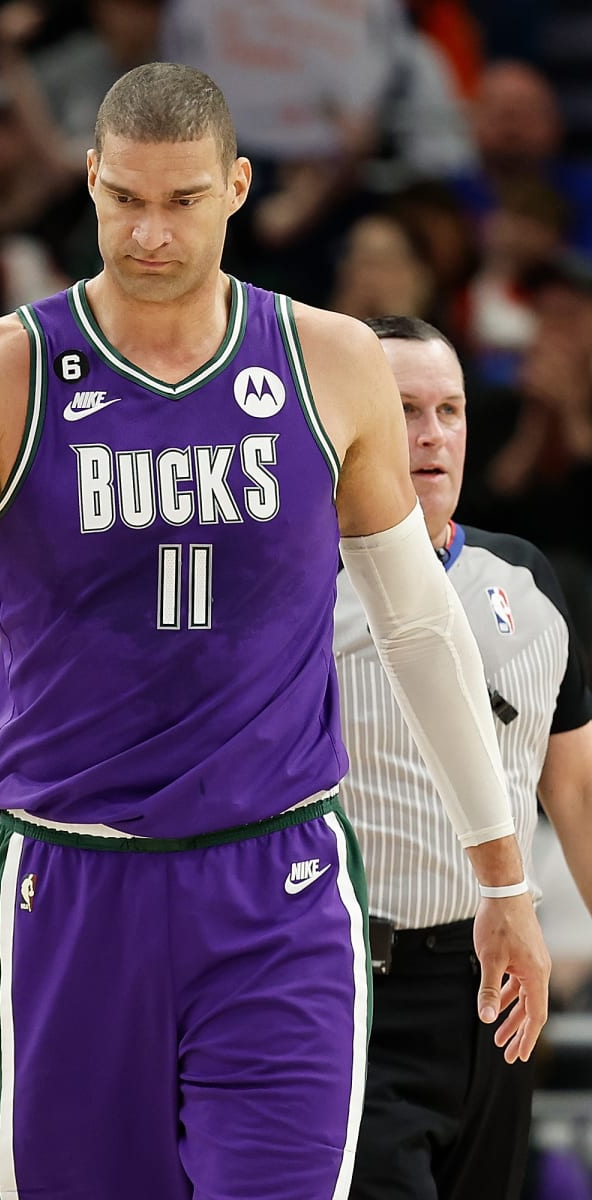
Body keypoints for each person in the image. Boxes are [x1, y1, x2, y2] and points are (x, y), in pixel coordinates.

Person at [0, 63, 551, 1199]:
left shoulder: (328, 359)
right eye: (124, 198)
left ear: (237, 187)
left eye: (182, 201)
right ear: (89, 178)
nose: (149, 233)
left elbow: (418, 623)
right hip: (71, 876)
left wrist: (502, 879)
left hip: (278, 880)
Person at [338, 316, 592, 1200]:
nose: (431, 434)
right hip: (349, 983)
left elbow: (575, 791)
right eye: (403, 409)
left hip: (501, 983)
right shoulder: (293, 586)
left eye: (448, 410)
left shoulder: (528, 578)